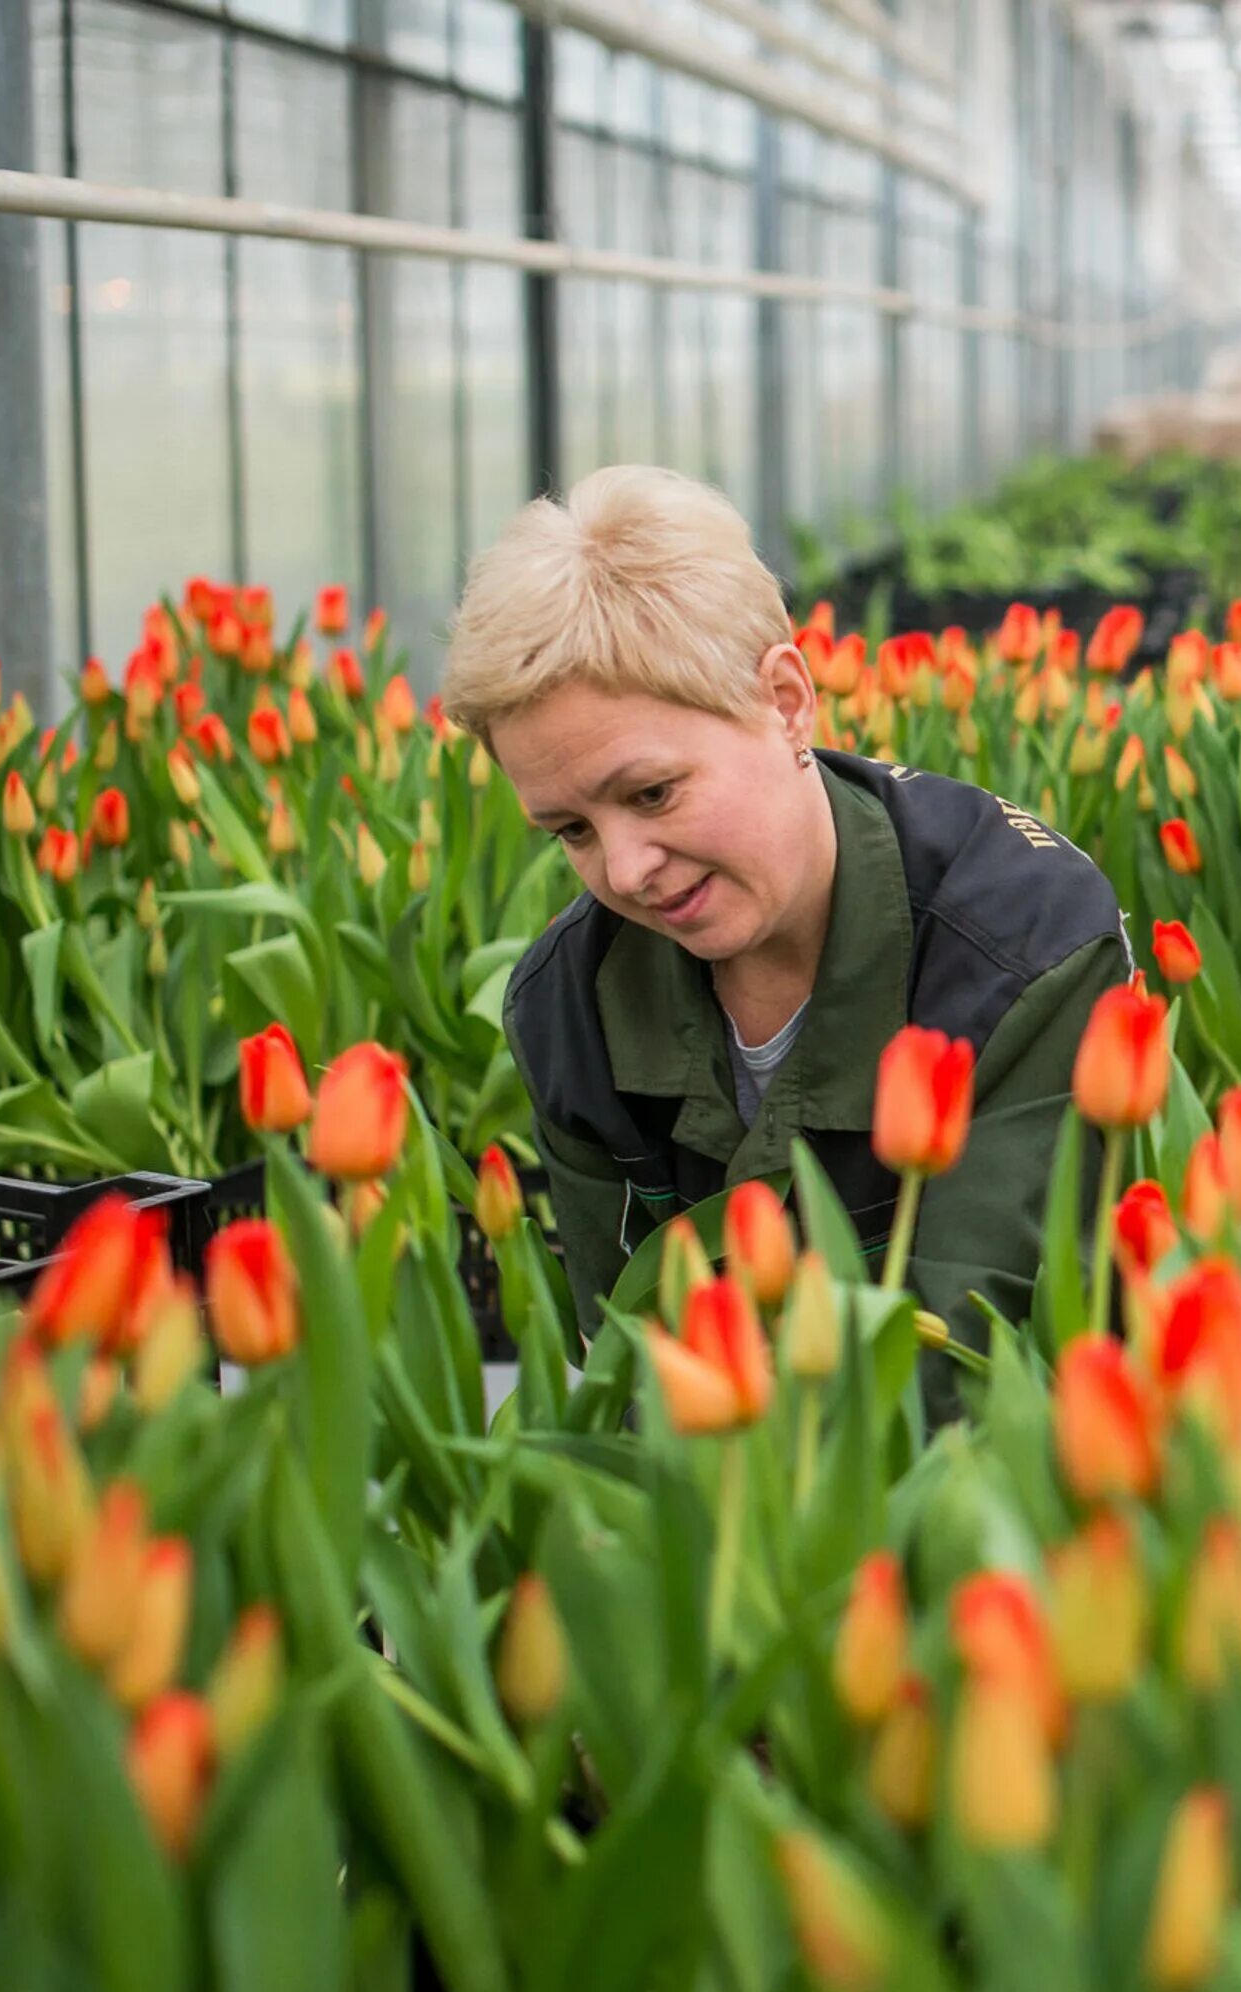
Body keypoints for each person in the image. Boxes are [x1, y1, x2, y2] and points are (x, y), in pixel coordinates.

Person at [443, 464, 1130, 1418]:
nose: (628, 869)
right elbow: (622, 1368)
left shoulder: (1018, 946)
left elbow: (976, 1358)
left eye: (652, 793)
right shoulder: (575, 1004)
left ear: (786, 700)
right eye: (571, 830)